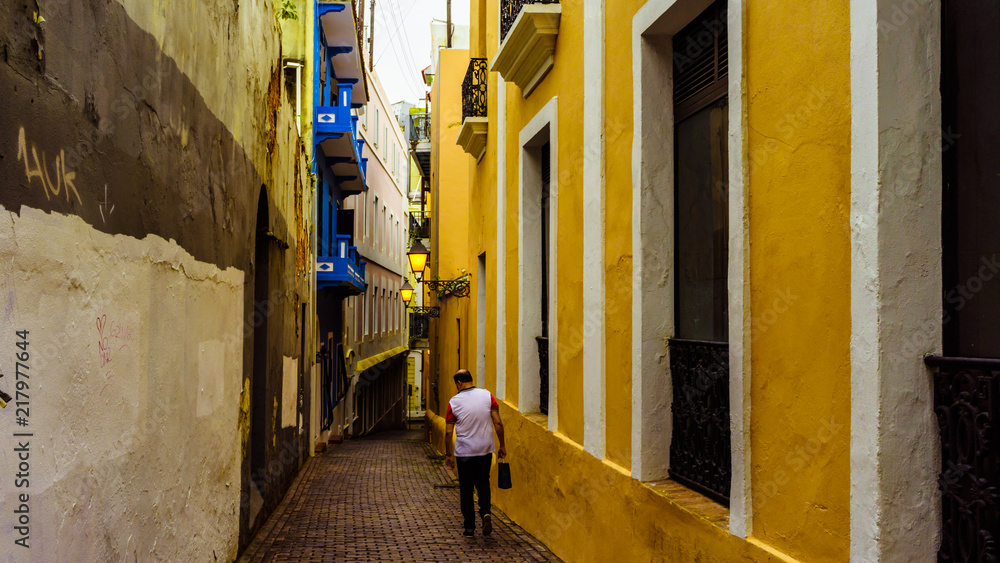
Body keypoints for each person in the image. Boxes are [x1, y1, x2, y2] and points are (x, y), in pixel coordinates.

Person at [444, 369, 507, 537]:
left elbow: (449, 432)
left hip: (465, 452)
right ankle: (485, 512)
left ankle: (469, 527)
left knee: (466, 488)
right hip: (485, 449)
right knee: (483, 483)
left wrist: (448, 454)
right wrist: (502, 445)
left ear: (459, 383)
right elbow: (498, 423)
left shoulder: (454, 402)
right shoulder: (487, 396)